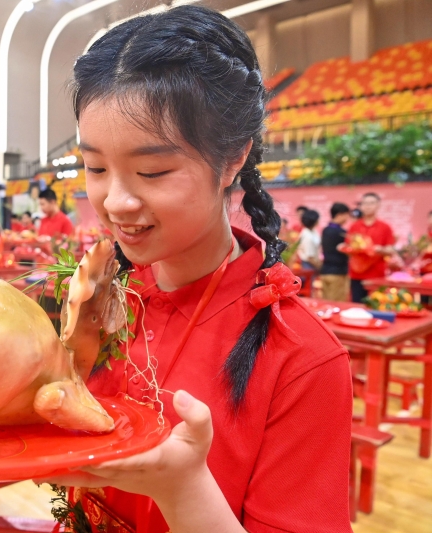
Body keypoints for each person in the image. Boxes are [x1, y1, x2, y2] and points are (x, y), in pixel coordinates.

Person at [45, 6, 351, 532]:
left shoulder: (301, 358)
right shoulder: (101, 298)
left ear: (233, 157)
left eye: (152, 171)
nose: (114, 201)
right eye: (95, 168)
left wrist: (182, 489)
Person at [348, 192, 395, 303]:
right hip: (357, 274)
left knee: (376, 306)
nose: (368, 206)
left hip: (376, 275)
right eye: (365, 203)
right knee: (357, 306)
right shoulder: (354, 226)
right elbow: (349, 247)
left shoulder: (385, 227)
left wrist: (381, 250)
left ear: (378, 205)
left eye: (371, 203)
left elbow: (391, 250)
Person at [320, 203, 351, 301]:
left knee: (325, 303)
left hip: (325, 271)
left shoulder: (325, 230)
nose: (347, 218)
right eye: (347, 215)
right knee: (337, 303)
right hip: (338, 273)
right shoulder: (342, 232)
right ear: (340, 215)